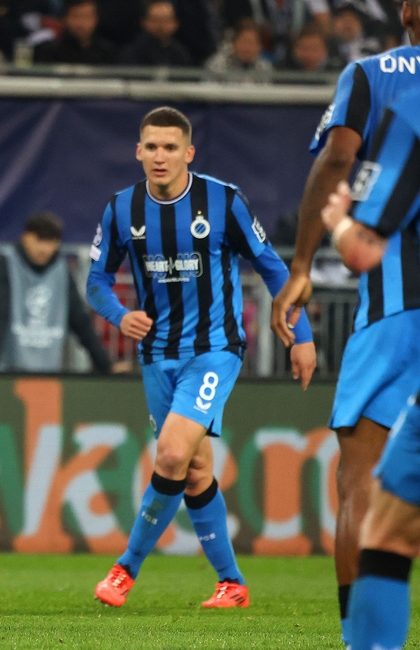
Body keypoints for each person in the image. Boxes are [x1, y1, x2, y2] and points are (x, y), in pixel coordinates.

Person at [87, 106, 316, 609]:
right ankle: (232, 584)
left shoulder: (223, 200)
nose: (160, 156)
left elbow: (272, 267)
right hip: (156, 355)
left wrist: (302, 335)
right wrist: (120, 315)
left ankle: (125, 568)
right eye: (151, 146)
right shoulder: (122, 209)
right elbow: (96, 282)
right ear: (138, 151)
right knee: (192, 469)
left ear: (189, 152)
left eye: (171, 147)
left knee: (170, 453)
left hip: (214, 350)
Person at [269, 1, 420, 643]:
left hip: (397, 311)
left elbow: (338, 163)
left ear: (407, 9)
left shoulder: (377, 78)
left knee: (363, 480)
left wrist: (303, 262)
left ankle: (364, 642)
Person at [317, 84, 420, 650]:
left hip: (400, 319)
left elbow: (362, 249)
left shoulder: (407, 106)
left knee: (377, 507)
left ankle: (361, 641)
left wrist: (335, 220)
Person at [0, 211, 122, 374]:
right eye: (39, 240)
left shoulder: (62, 269)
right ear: (25, 238)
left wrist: (106, 364)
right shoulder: (3, 264)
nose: (44, 248)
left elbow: (79, 319)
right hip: (5, 369)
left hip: (47, 372)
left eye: (50, 242)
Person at [33, 0, 116, 65]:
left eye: (86, 17)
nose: (80, 23)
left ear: (95, 19)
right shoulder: (48, 52)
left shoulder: (107, 52)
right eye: (75, 16)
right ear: (64, 19)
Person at [118, 0, 193, 67]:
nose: (161, 26)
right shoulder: (132, 54)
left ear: (175, 23)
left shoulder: (180, 53)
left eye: (166, 20)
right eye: (155, 20)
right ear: (144, 22)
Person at [204, 18, 273, 83]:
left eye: (252, 43)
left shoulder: (264, 68)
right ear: (234, 44)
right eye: (244, 42)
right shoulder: (217, 65)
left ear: (259, 47)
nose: (248, 48)